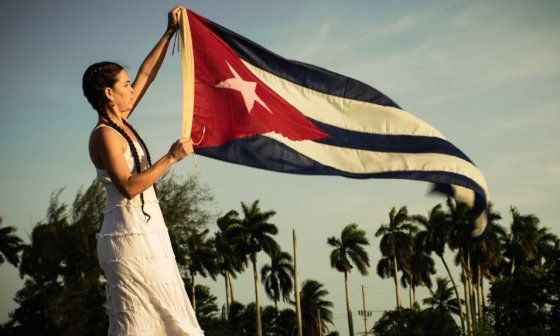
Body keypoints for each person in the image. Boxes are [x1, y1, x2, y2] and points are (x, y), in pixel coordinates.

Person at [82, 5, 203, 335]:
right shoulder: (106, 134)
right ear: (109, 93)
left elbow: (148, 73)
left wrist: (169, 33)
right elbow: (129, 186)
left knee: (170, 318)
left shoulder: (121, 121)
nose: (131, 87)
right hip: (126, 237)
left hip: (150, 232)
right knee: (135, 323)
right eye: (124, 84)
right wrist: (171, 158)